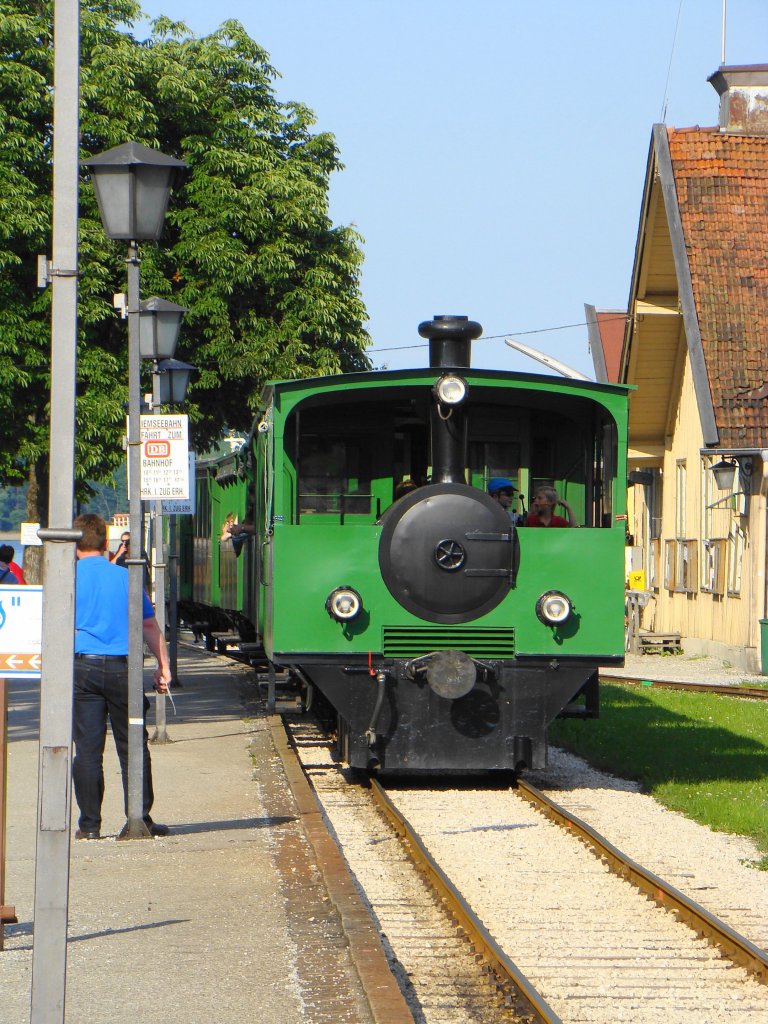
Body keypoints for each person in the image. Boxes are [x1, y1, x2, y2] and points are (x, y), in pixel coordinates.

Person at [72, 513, 171, 839]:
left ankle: (89, 826)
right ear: (105, 543)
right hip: (122, 670)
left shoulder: (66, 577)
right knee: (132, 745)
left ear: (74, 545)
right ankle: (139, 819)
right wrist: (163, 666)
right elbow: (148, 625)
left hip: (82, 668)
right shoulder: (125, 577)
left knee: (87, 750)